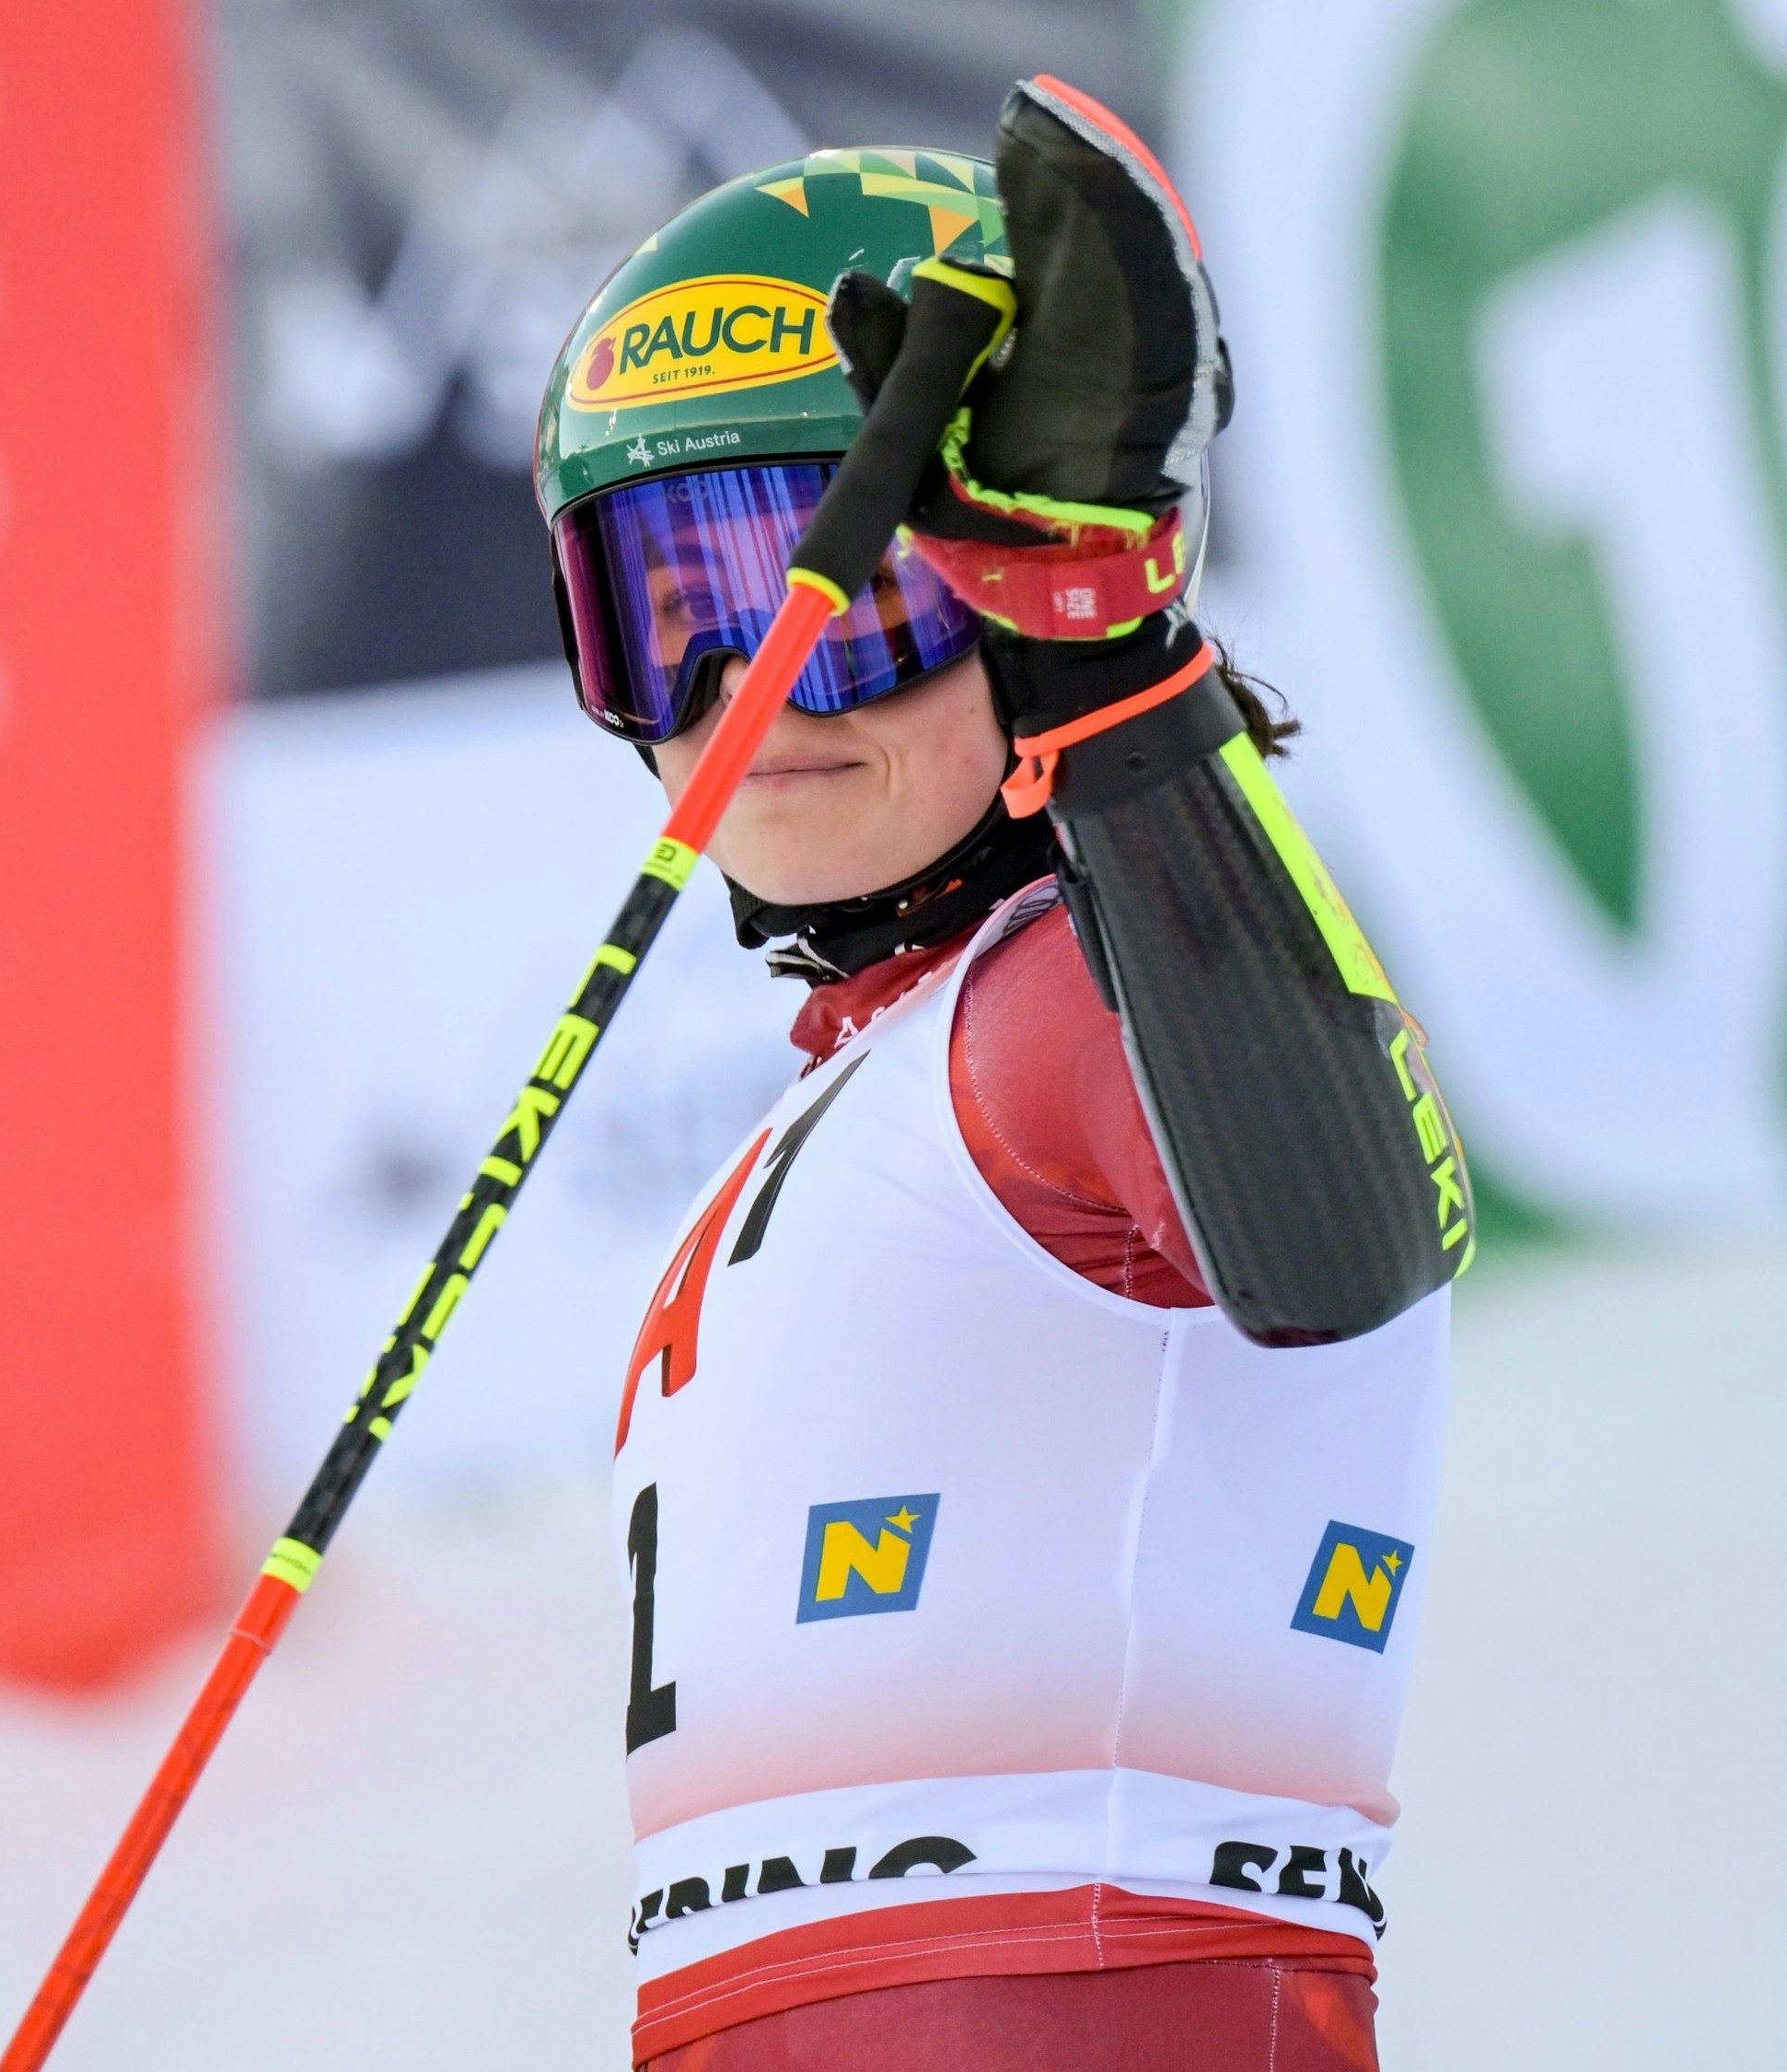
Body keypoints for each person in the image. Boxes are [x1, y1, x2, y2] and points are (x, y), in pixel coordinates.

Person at [536, 83, 1472, 2071]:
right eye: (671, 617)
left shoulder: (1062, 1000)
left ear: (1034, 590)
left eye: (850, 608)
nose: (748, 687)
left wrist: (1118, 673)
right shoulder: (855, 1081)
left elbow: (1346, 1241)